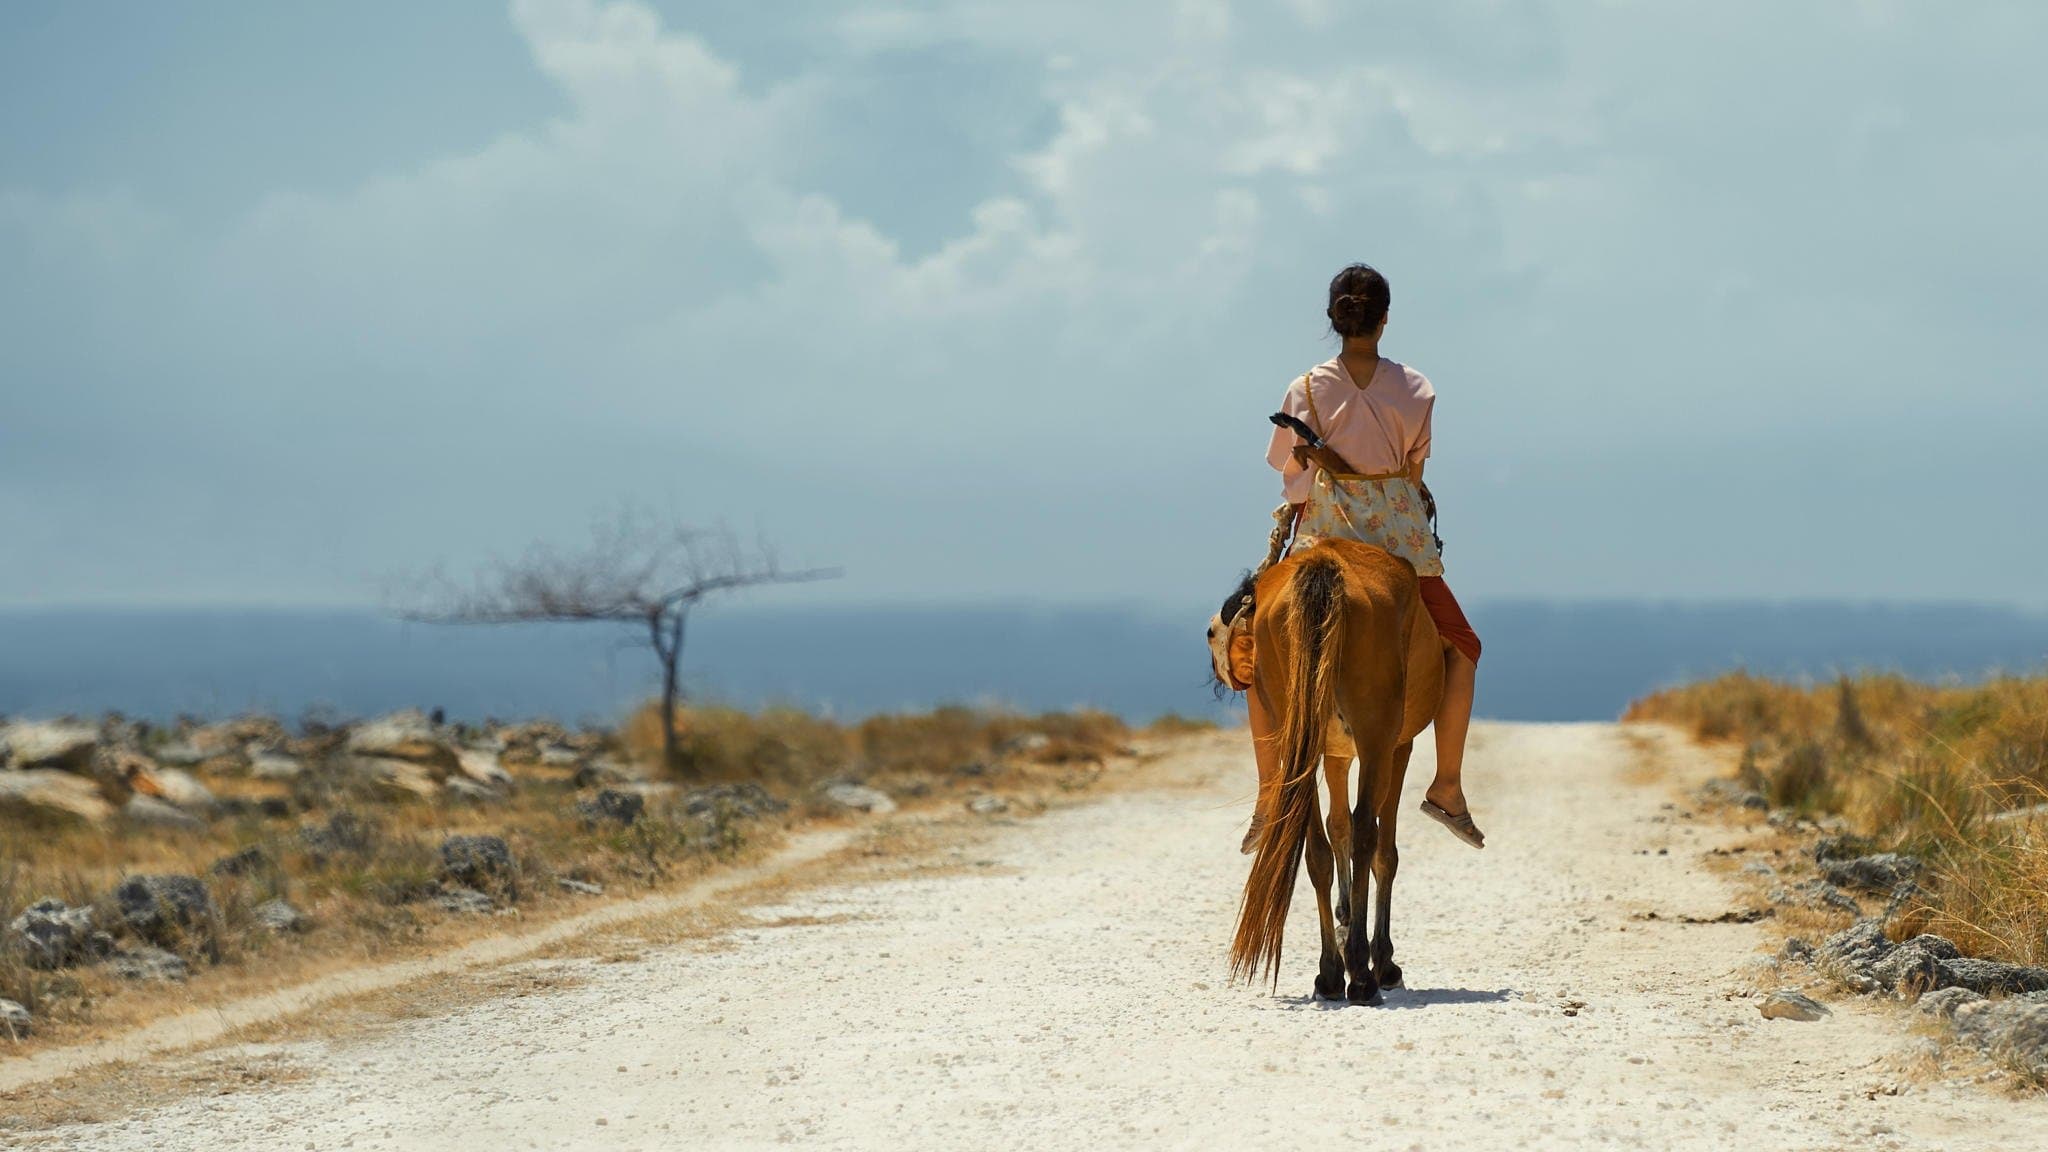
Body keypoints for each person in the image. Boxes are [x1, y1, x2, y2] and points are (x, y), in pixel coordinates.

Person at [1253, 262, 1485, 849]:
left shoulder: (1303, 388)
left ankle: (1267, 796)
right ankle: (1448, 786)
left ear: (1334, 318)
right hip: (1401, 543)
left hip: (1323, 536)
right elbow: (1413, 470)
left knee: (1253, 647)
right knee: (1463, 646)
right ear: (1383, 320)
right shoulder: (1417, 388)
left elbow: (1290, 473)